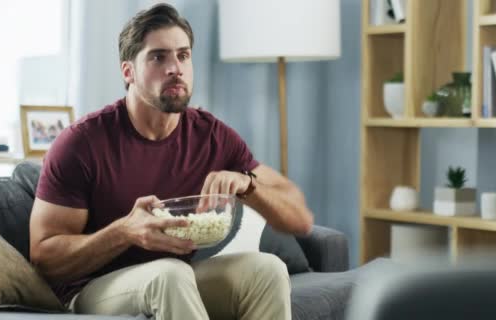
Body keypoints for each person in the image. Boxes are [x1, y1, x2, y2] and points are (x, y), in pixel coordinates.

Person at [29, 4, 314, 320]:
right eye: (158, 57)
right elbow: (45, 258)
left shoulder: (211, 136)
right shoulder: (81, 143)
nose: (175, 68)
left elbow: (298, 220)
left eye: (183, 55)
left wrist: (249, 186)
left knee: (267, 269)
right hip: (91, 292)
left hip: (175, 279)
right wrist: (124, 231)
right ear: (128, 72)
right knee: (169, 274)